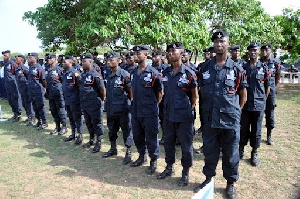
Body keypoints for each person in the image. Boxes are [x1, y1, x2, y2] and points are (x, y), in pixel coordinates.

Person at [193, 30, 247, 199]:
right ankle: (208, 179)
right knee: (210, 151)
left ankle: (230, 183)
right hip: (210, 119)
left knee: (231, 154)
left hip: (230, 119)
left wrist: (235, 111)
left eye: (222, 41)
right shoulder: (205, 67)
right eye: (216, 42)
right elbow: (200, 91)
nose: (219, 44)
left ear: (228, 44)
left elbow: (242, 94)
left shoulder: (237, 69)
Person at [156, 42, 198, 187]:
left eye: (173, 51)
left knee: (186, 146)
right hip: (168, 115)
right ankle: (169, 167)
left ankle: (185, 172)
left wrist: (188, 110)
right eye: (169, 51)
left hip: (184, 117)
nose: (170, 54)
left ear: (181, 54)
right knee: (168, 143)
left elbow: (194, 96)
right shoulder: (165, 72)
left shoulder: (189, 74)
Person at [130, 45, 163, 176]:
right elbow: (132, 90)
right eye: (134, 53)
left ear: (145, 55)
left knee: (151, 138)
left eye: (138, 53)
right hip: (136, 110)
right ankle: (141, 156)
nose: (135, 56)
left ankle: (153, 160)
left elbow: (160, 93)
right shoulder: (133, 73)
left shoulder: (154, 73)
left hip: (149, 112)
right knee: (137, 136)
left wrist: (152, 105)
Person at [240, 42, 270, 167]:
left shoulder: (264, 68)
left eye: (255, 50)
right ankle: (240, 150)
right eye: (250, 50)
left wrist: (262, 100)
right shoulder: (243, 67)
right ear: (248, 52)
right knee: (243, 128)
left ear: (258, 52)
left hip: (258, 104)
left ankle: (254, 152)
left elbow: (267, 86)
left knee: (256, 130)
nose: (253, 52)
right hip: (246, 105)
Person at [102, 52, 133, 165]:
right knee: (112, 130)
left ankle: (128, 152)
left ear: (118, 61)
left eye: (111, 60)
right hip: (111, 108)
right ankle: (113, 148)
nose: (109, 62)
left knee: (126, 131)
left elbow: (130, 92)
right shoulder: (108, 74)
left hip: (123, 109)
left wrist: (130, 106)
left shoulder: (124, 75)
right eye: (108, 60)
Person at [79, 53, 106, 153]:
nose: (82, 63)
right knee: (88, 122)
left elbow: (102, 89)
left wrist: (101, 100)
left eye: (84, 61)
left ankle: (98, 142)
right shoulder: (83, 74)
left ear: (90, 62)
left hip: (94, 103)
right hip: (85, 103)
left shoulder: (95, 74)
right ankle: (91, 139)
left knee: (97, 123)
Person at [260, 44, 282, 145]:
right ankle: (256, 134)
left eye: (266, 49)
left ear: (270, 51)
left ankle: (269, 135)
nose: (264, 51)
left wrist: (273, 87)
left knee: (270, 113)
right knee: (257, 113)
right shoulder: (258, 62)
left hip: (271, 90)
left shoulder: (275, 62)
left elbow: (278, 76)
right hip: (259, 90)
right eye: (263, 49)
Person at [61, 55, 83, 144]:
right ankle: (73, 133)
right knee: (70, 117)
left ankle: (80, 135)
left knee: (77, 117)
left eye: (64, 62)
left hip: (75, 100)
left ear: (70, 63)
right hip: (67, 99)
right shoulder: (64, 73)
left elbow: (80, 86)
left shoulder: (75, 73)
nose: (62, 64)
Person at [46, 54, 68, 135]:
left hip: (59, 93)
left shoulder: (59, 69)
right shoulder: (48, 69)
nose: (49, 60)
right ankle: (57, 126)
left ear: (55, 59)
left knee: (61, 110)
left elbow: (64, 81)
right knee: (53, 110)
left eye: (51, 58)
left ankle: (64, 127)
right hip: (51, 93)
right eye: (48, 59)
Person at [27, 52, 48, 130]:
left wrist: (44, 88)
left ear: (35, 58)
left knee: (41, 106)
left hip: (38, 90)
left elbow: (43, 79)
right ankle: (39, 121)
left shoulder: (39, 67)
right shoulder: (31, 67)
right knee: (35, 107)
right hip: (32, 90)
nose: (28, 59)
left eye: (30, 57)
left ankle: (44, 122)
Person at [2, 50, 22, 122]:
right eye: (3, 55)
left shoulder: (12, 63)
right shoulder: (6, 63)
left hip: (14, 84)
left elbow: (18, 73)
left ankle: (18, 114)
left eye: (5, 55)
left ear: (9, 55)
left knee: (15, 98)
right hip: (7, 84)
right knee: (10, 100)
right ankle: (15, 114)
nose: (4, 57)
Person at [15, 55, 35, 125]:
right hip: (21, 88)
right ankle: (28, 116)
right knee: (24, 103)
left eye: (17, 59)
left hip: (26, 88)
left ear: (21, 60)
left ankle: (32, 118)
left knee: (28, 103)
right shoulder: (17, 68)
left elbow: (28, 77)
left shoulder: (24, 68)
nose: (15, 60)